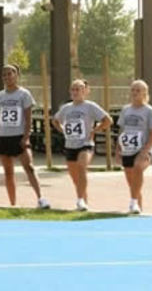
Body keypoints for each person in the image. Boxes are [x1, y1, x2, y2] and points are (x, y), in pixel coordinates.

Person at [0, 64, 50, 209]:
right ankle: (12, 203)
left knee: (29, 167)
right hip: (3, 137)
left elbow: (28, 117)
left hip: (19, 136)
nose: (7, 77)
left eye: (10, 73)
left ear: (17, 75)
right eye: (4, 74)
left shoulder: (24, 94)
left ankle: (41, 198)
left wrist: (26, 136)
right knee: (8, 171)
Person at [52, 79, 112, 211]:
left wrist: (95, 131)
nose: (75, 92)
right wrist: (62, 130)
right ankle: (83, 201)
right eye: (73, 89)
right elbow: (55, 121)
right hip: (70, 145)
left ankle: (79, 200)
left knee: (81, 166)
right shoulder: (66, 108)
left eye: (78, 89)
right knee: (75, 177)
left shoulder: (90, 106)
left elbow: (108, 120)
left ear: (85, 91)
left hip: (85, 144)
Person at [115, 80, 152, 214]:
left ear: (144, 93)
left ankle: (133, 201)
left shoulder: (150, 111)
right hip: (127, 148)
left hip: (143, 148)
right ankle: (137, 207)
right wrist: (117, 150)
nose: (135, 93)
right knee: (132, 180)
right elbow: (122, 131)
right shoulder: (126, 110)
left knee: (137, 168)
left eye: (138, 90)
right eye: (133, 90)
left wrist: (146, 149)